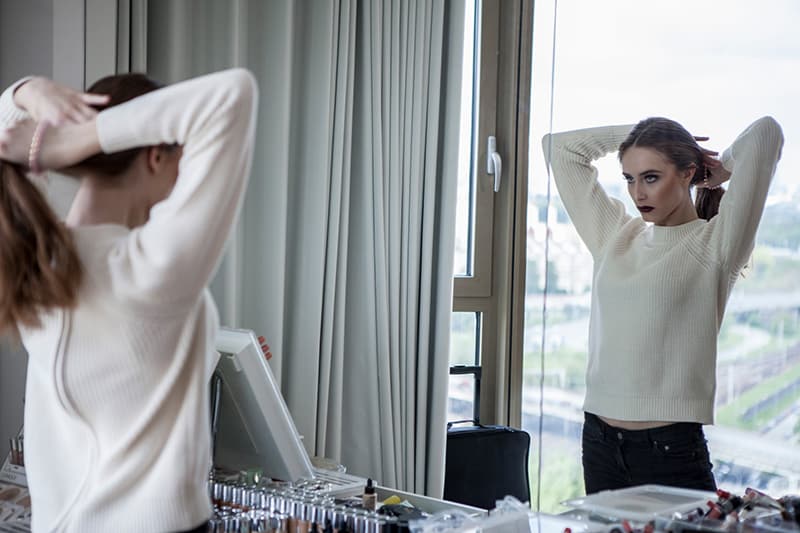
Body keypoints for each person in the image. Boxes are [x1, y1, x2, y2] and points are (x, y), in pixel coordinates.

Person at [0, 67, 257, 532]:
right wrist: (76, 140)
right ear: (157, 155)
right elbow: (234, 93)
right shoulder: (147, 271)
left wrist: (26, 92)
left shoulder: (35, 260)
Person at [541, 115, 783, 494]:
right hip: (599, 443)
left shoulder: (716, 246)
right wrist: (636, 136)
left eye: (651, 177)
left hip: (669, 449)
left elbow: (766, 133)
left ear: (687, 174)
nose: (638, 193)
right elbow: (559, 150)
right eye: (630, 178)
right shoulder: (615, 236)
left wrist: (718, 170)